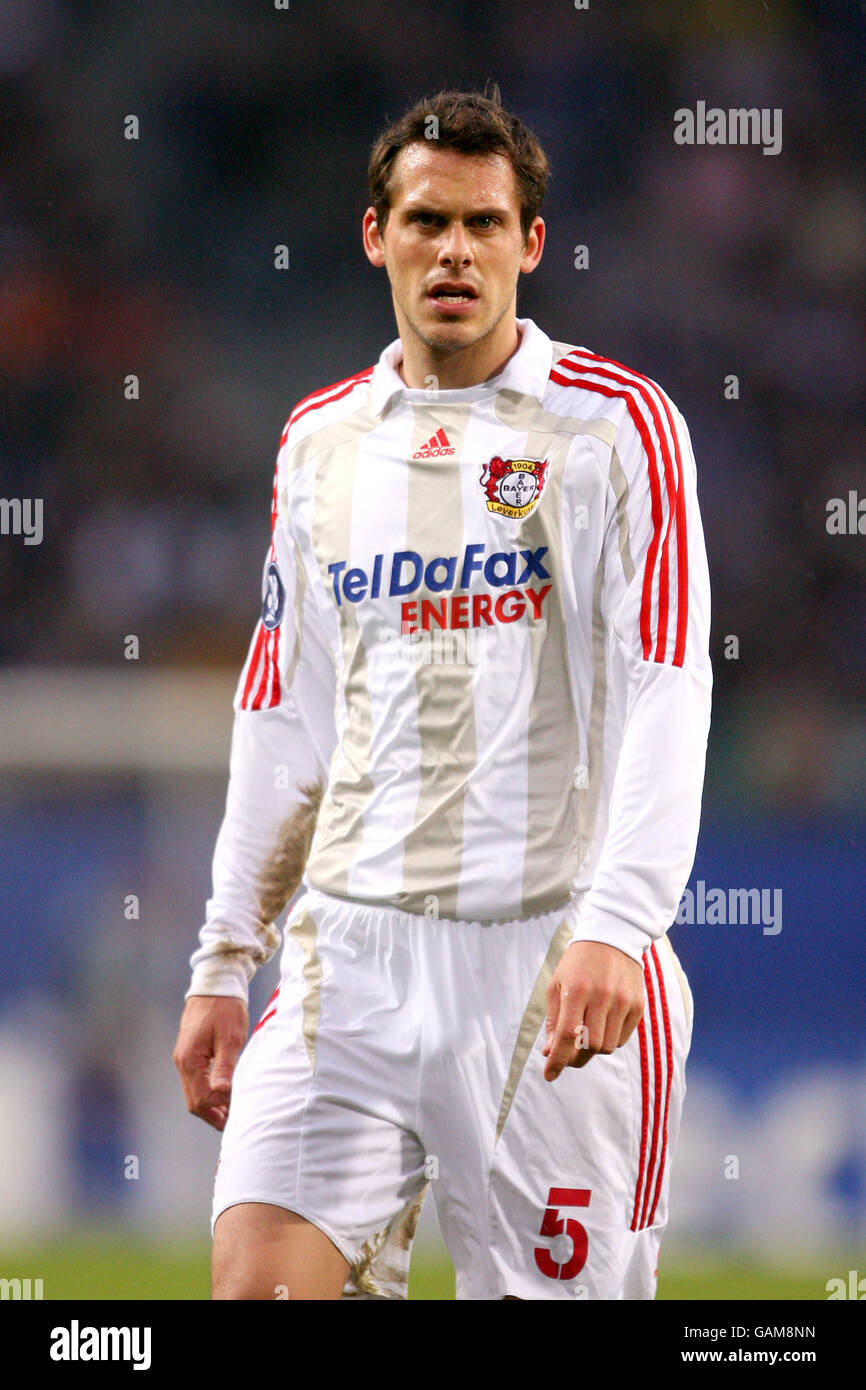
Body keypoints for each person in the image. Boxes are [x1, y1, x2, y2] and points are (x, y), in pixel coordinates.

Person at [173, 84, 712, 1301]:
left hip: (547, 957)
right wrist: (222, 958)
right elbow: (282, 714)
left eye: (481, 223)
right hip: (346, 960)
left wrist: (616, 923)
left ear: (527, 244)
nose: (452, 250)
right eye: (424, 221)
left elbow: (669, 679)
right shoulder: (317, 441)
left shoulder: (616, 429)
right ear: (376, 235)